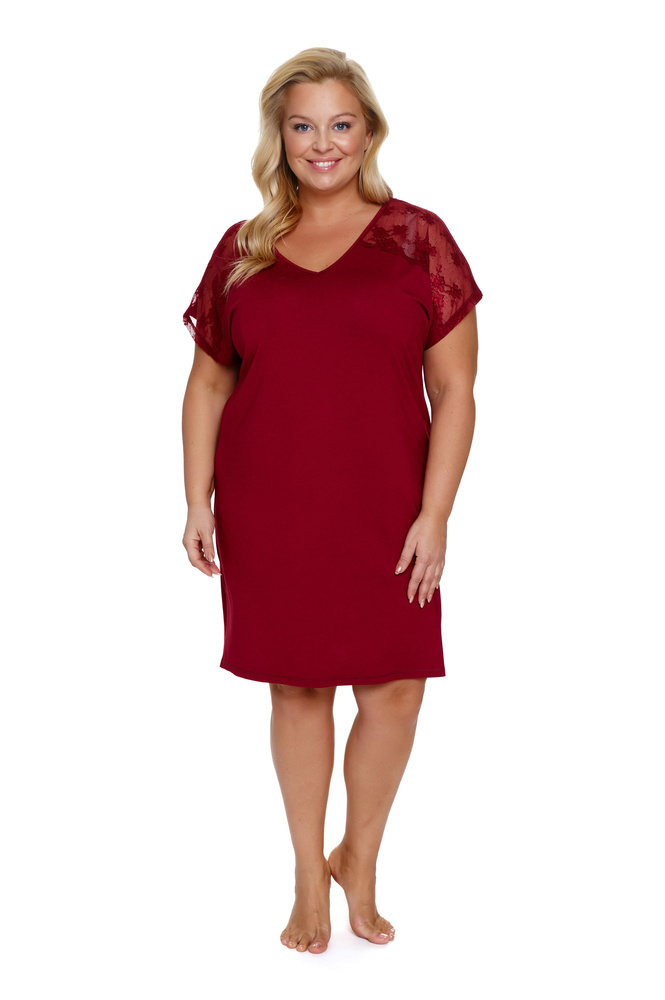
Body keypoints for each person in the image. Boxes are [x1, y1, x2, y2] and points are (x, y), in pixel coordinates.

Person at [181, 46, 483, 955]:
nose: (323, 143)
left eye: (341, 124)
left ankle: (359, 856)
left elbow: (455, 391)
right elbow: (208, 384)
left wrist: (435, 514)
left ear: (368, 132)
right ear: (278, 136)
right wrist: (196, 499)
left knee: (396, 690)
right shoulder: (243, 248)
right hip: (271, 504)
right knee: (298, 686)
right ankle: (307, 878)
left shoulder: (416, 239)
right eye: (303, 125)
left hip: (387, 504)